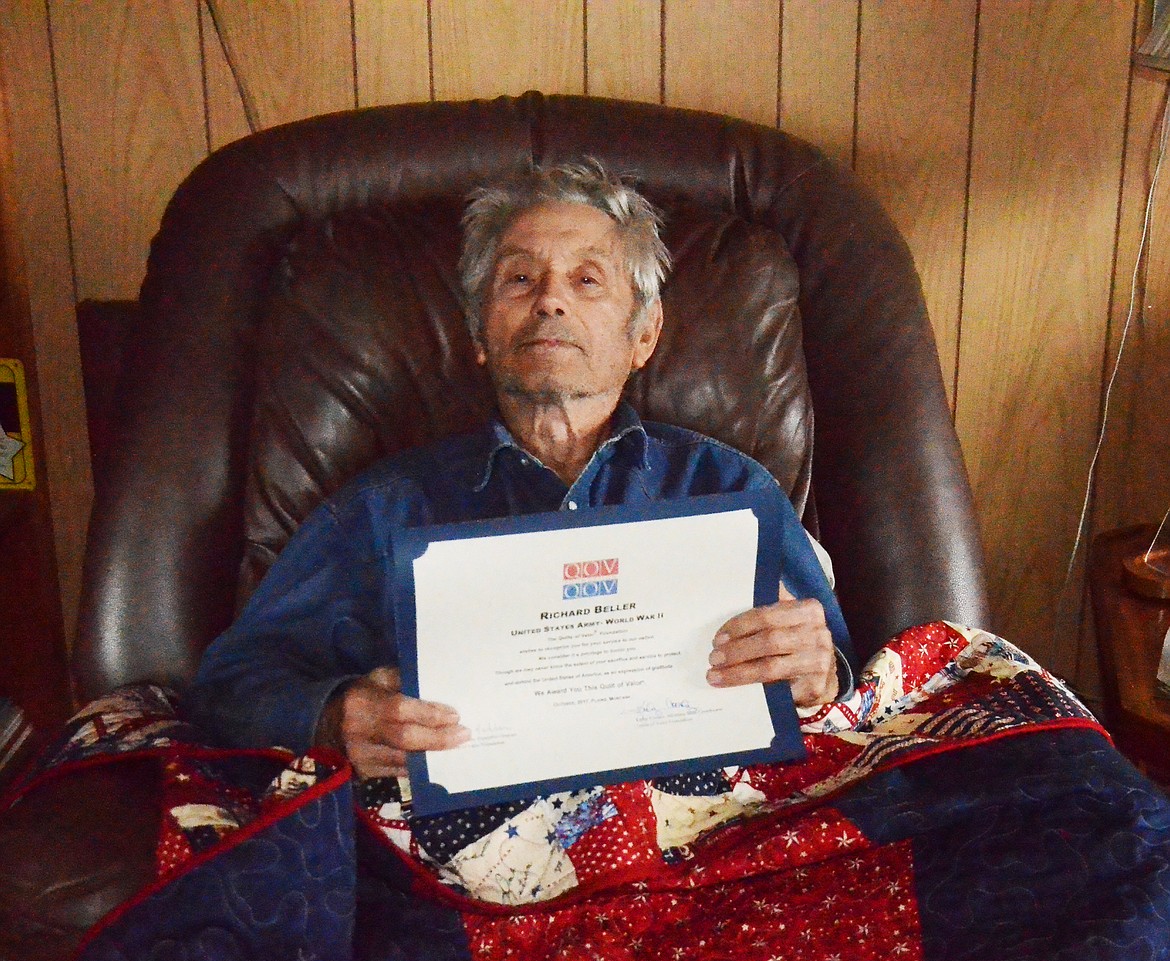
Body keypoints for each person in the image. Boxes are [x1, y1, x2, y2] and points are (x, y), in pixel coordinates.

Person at [189, 160, 854, 782]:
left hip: (700, 834)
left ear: (644, 335)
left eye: (587, 279)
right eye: (519, 279)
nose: (549, 302)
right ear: (479, 334)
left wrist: (821, 672)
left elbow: (844, 680)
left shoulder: (730, 494)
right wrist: (336, 716)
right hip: (464, 855)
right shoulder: (382, 510)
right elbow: (230, 683)